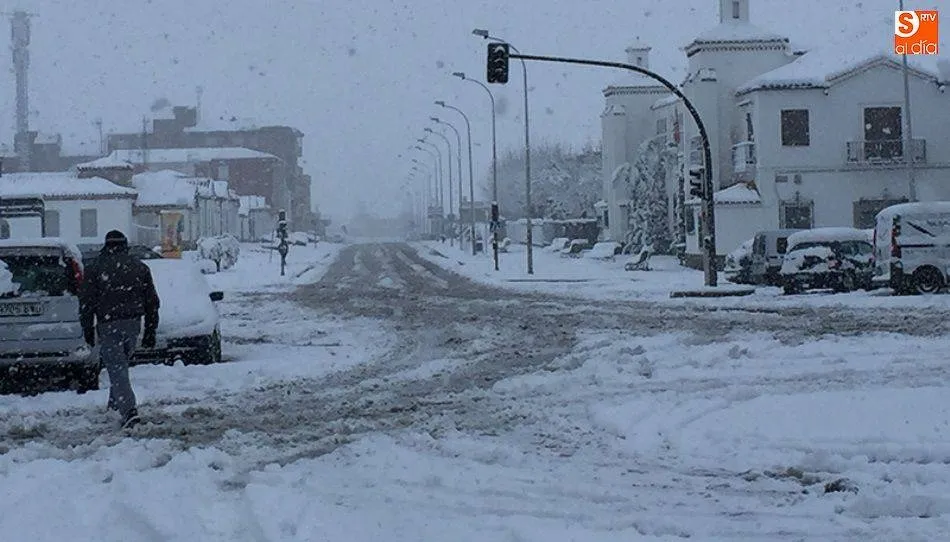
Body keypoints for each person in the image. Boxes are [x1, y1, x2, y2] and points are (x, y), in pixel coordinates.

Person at [79, 230, 160, 429]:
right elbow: (152, 302)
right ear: (125, 245)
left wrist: (87, 329)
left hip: (108, 323)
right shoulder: (139, 267)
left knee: (117, 368)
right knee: (120, 366)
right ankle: (115, 406)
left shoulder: (94, 268)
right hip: (133, 323)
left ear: (106, 245)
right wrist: (150, 330)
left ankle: (129, 411)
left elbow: (86, 303)